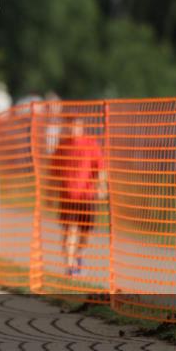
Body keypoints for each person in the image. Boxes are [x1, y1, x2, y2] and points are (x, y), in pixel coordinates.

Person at [53, 117, 106, 274]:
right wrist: (50, 192)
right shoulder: (62, 146)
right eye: (69, 126)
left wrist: (102, 185)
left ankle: (79, 255)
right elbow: (54, 171)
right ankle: (70, 266)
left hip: (87, 197)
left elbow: (100, 167)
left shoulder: (91, 144)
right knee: (70, 231)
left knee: (86, 233)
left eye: (75, 126)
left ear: (82, 127)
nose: (72, 129)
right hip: (67, 197)